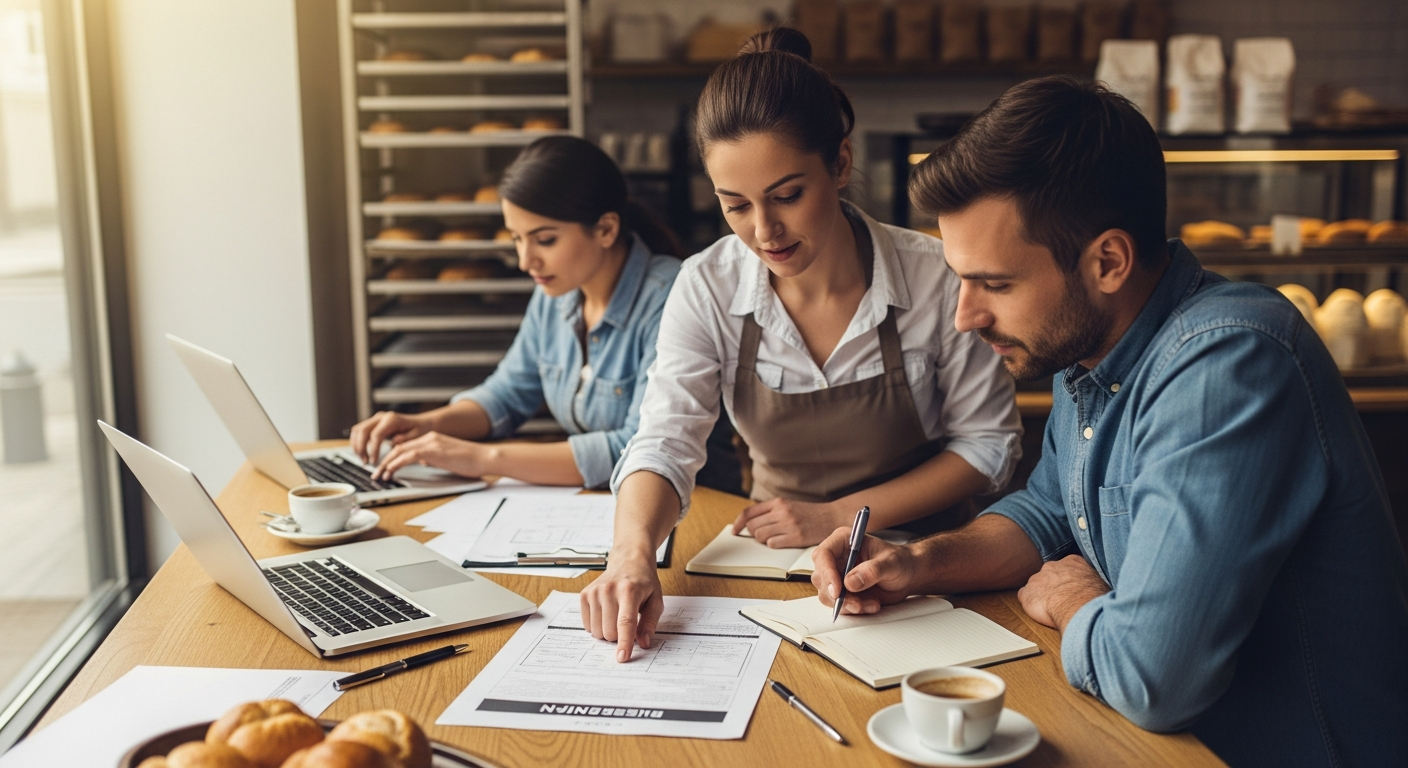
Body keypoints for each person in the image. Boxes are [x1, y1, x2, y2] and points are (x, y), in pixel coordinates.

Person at [810, 76, 1408, 767]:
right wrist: (917, 561)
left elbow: (1155, 679)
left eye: (996, 284)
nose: (965, 316)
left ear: (1108, 262)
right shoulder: (1088, 349)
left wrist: (1076, 602)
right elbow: (1047, 513)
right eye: (960, 280)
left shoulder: (1228, 364)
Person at [580, 28, 1022, 661]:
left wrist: (838, 513)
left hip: (927, 561)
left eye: (787, 195)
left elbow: (989, 446)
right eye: (735, 206)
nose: (764, 231)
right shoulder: (706, 285)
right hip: (775, 562)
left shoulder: (934, 276)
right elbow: (665, 440)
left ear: (840, 163)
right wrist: (630, 555)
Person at [349, 136, 740, 492]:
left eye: (545, 240)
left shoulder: (672, 294)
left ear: (605, 229)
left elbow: (639, 447)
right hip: (600, 505)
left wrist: (482, 458)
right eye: (517, 239)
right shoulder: (557, 292)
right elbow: (506, 394)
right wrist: (426, 425)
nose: (525, 261)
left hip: (695, 509)